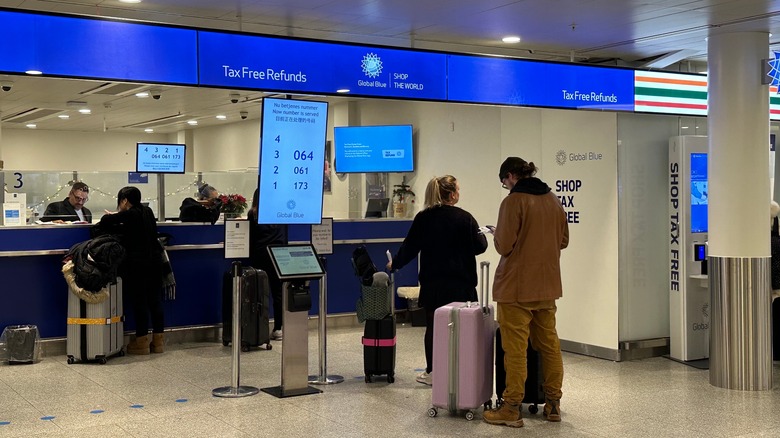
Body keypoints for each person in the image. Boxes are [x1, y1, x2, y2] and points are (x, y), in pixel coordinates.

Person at [483, 157, 569, 428]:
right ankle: (553, 404)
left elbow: (504, 246)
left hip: (516, 288)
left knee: (515, 350)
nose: (505, 187)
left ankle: (510, 408)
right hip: (547, 286)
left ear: (510, 176)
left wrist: (497, 235)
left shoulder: (513, 201)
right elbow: (563, 240)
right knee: (550, 346)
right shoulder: (553, 200)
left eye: (503, 182)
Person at [386, 175, 487, 385]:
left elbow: (410, 248)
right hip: (462, 285)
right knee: (463, 329)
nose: (459, 193)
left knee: (433, 328)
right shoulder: (466, 218)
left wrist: (394, 264)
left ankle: (433, 372)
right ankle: (461, 372)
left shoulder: (424, 218)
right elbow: (480, 246)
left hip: (433, 285)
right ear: (451, 195)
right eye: (458, 190)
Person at [95, 186, 164, 355]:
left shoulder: (130, 214)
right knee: (154, 301)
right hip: (155, 263)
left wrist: (111, 215)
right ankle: (158, 341)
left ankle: (141, 342)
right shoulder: (147, 211)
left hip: (138, 264)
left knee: (140, 301)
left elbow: (105, 222)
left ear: (124, 200)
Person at [247, 188, 287, 340]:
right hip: (278, 255)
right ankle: (278, 328)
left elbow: (250, 236)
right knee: (278, 292)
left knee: (260, 293)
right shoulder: (281, 211)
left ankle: (259, 328)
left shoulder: (254, 213)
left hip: (261, 254)